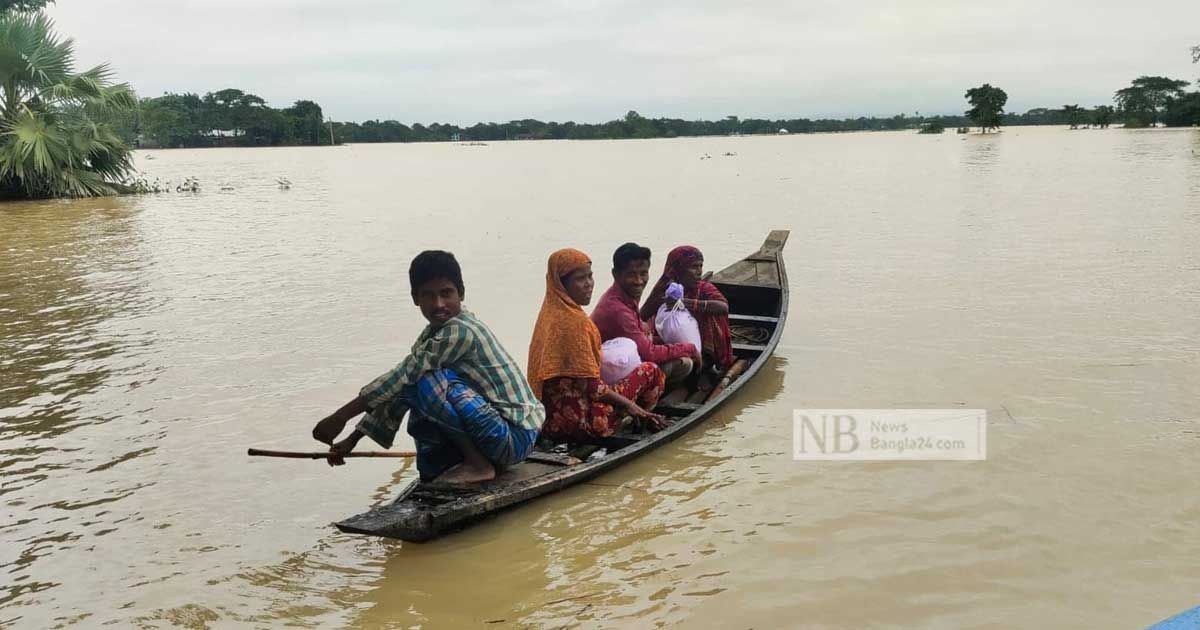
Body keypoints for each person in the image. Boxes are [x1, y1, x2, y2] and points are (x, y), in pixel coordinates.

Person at [311, 250, 544, 485]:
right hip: (503, 433)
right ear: (416, 298)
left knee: (422, 381)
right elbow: (397, 387)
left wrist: (340, 416)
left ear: (460, 293)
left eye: (446, 294)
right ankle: (460, 461)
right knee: (413, 384)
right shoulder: (434, 334)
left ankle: (478, 464)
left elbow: (404, 376)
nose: (438, 304)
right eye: (428, 296)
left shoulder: (460, 331)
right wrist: (353, 439)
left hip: (515, 437)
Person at [527, 248, 667, 443]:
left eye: (590, 277)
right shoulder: (577, 323)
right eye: (580, 279)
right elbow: (594, 389)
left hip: (549, 420)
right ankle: (636, 419)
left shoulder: (548, 314)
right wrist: (630, 405)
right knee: (651, 371)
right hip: (582, 423)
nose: (589, 284)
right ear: (562, 284)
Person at [591, 242, 699, 387]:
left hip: (621, 359)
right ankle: (650, 395)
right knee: (684, 364)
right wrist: (690, 348)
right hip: (610, 372)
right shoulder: (617, 309)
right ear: (615, 274)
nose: (639, 281)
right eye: (631, 275)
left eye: (643, 273)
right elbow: (649, 354)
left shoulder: (624, 296)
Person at [640, 245, 734, 372]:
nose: (699, 271)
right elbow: (641, 316)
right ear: (679, 269)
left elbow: (723, 307)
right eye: (694, 267)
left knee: (713, 311)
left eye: (700, 266)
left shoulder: (703, 288)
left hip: (701, 344)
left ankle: (707, 360)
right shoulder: (663, 289)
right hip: (668, 344)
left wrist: (685, 303)